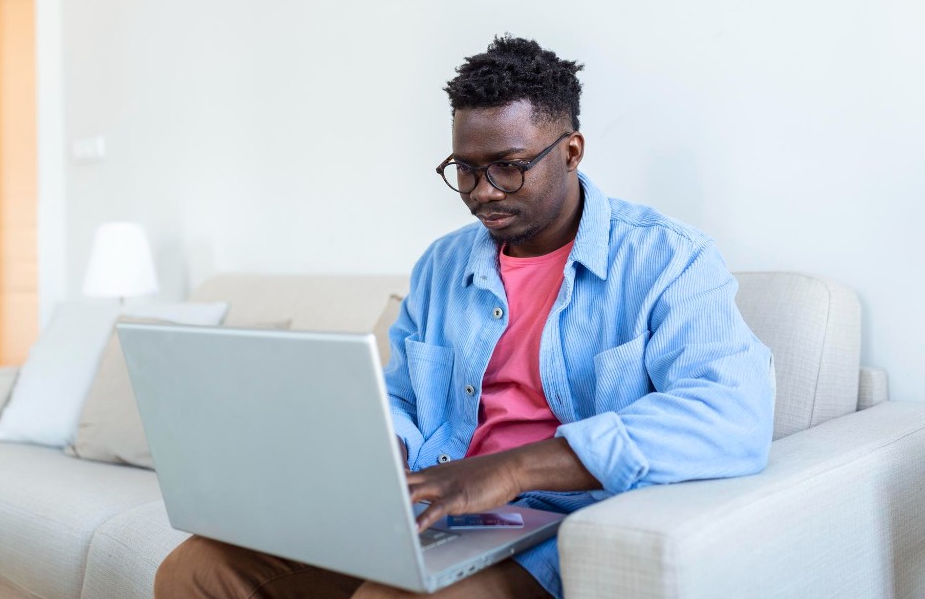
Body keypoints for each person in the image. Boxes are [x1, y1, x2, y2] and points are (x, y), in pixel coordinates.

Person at [154, 36, 775, 599]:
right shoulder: (443, 266)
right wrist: (377, 454)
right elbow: (400, 397)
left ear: (572, 151)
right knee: (197, 571)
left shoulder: (668, 259)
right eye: (466, 170)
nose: (482, 191)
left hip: (557, 525)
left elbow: (730, 414)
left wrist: (508, 470)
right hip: (438, 509)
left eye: (508, 165)